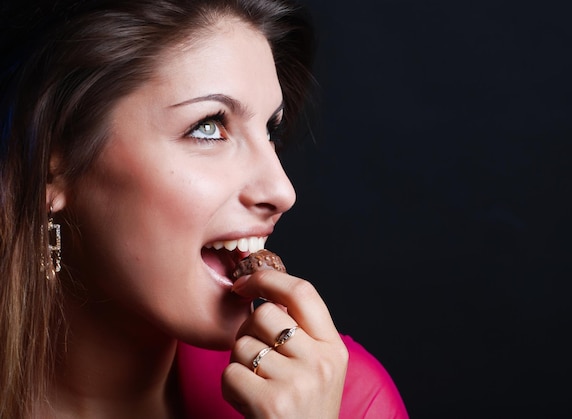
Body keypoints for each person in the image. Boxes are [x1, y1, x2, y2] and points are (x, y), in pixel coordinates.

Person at [0, 0, 409, 417]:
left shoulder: (348, 402)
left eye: (271, 130)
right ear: (52, 166)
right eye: (208, 127)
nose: (283, 191)